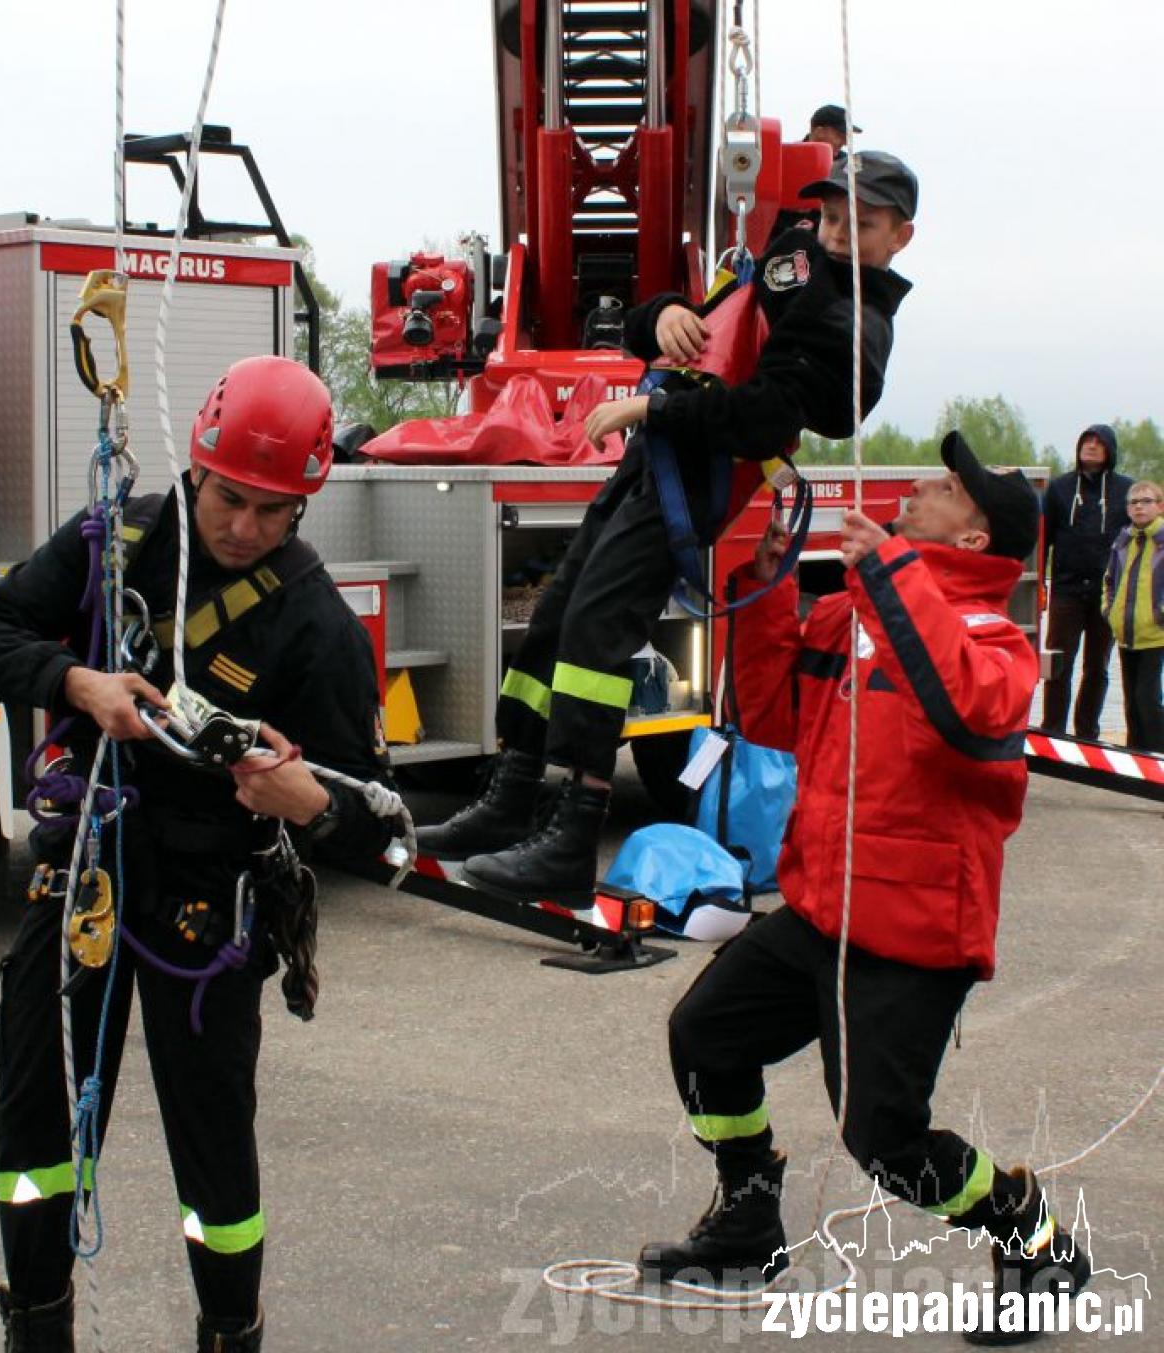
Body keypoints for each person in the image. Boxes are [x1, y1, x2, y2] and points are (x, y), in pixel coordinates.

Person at [0, 356, 401, 1351]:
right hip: (84, 872)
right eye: (231, 498)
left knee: (212, 1148)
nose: (244, 527)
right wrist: (75, 681)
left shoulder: (313, 623)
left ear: (304, 504)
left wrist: (305, 800)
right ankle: (36, 1323)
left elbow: (378, 829)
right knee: (35, 1112)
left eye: (273, 509)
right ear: (196, 471)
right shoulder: (110, 547)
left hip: (208, 903)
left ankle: (228, 1331)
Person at [640, 433, 1091, 1343]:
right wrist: (766, 593)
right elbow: (771, 716)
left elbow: (960, 705)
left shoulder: (997, 645)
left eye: (948, 487)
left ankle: (1032, 1232)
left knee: (887, 1144)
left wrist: (887, 577)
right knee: (703, 1034)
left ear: (974, 543)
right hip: (820, 912)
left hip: (915, 937)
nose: (921, 485)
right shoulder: (862, 614)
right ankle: (749, 1216)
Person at [420, 151, 918, 906]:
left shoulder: (853, 326)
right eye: (833, 216)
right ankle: (510, 797)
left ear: (900, 238)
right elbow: (693, 316)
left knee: (596, 633)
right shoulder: (796, 255)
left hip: (693, 483)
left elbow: (761, 419)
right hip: (655, 464)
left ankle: (573, 834)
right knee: (553, 621)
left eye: (864, 224)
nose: (840, 234)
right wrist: (667, 315)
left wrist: (650, 408)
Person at [1041, 424, 1131, 740]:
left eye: (1098, 442)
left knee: (1097, 667)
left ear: (1110, 450)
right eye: (1086, 441)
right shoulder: (1060, 489)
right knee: (1057, 663)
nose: (1091, 446)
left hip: (1107, 594)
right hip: (1066, 590)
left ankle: (1087, 733)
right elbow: (1044, 539)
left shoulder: (1125, 491)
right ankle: (1052, 731)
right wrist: (1040, 582)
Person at [1102, 479, 1164, 752]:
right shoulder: (1123, 540)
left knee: (1147, 700)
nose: (1139, 507)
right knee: (1130, 702)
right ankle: (1133, 758)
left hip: (1155, 635)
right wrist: (1108, 611)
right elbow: (1110, 581)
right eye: (1134, 502)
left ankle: (1156, 759)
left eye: (1146, 501)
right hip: (1127, 633)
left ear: (1159, 506)